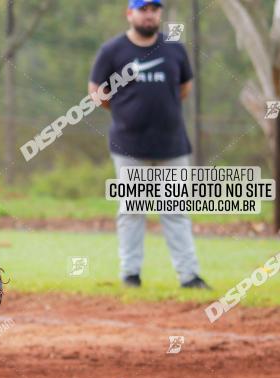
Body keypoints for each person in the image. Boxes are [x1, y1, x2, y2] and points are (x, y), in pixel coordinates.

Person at [89, 0, 210, 289]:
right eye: (143, 9)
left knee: (176, 210)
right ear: (129, 13)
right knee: (132, 210)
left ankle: (189, 276)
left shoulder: (174, 49)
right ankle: (130, 275)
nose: (149, 14)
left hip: (173, 145)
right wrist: (126, 113)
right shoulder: (112, 51)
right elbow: (96, 93)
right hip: (129, 146)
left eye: (154, 9)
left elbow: (184, 88)